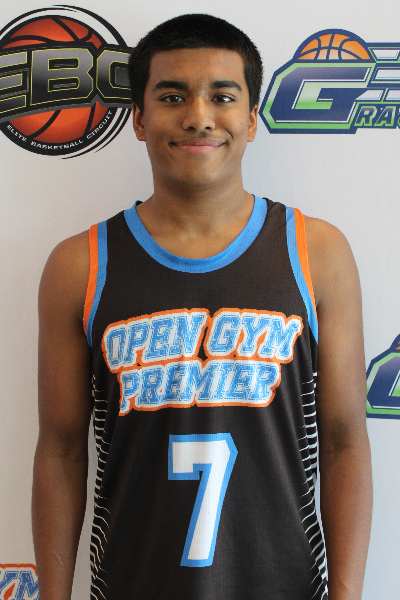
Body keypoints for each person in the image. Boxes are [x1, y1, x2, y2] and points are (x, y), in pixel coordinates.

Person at [32, 13, 372, 600]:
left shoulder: (316, 252)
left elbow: (345, 441)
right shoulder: (80, 265)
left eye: (222, 96)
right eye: (172, 96)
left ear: (252, 118)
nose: (199, 116)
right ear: (139, 119)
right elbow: (61, 450)